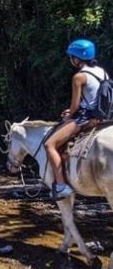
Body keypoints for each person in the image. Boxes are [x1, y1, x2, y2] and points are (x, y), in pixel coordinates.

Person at [44, 39, 108, 200]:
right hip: (103, 116)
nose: (71, 60)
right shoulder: (102, 71)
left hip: (85, 118)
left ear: (77, 58)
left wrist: (69, 114)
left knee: (49, 144)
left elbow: (74, 106)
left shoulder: (79, 77)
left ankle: (61, 186)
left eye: (71, 57)